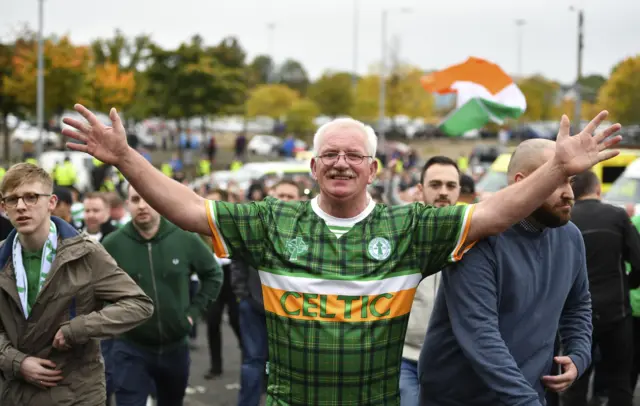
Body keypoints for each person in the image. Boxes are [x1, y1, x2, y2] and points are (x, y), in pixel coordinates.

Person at [63, 104, 621, 405]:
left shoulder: (410, 228)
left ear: (374, 170)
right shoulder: (270, 222)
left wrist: (557, 169)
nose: (341, 163)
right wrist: (125, 159)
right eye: (329, 154)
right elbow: (187, 208)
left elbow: (494, 214)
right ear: (311, 167)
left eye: (355, 155)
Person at [418, 139, 593, 405]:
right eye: (557, 181)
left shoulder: (571, 237)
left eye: (570, 181)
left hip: (525, 396)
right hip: (460, 398)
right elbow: (480, 335)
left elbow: (578, 304)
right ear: (521, 182)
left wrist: (578, 355)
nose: (568, 192)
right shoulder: (478, 237)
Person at [0, 163, 153, 405]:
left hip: (76, 394)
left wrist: (79, 328)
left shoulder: (85, 252)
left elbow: (138, 304)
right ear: (3, 207)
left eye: (31, 197)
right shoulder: (2, 258)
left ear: (51, 203)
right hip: (15, 393)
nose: (21, 206)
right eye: (12, 199)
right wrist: (16, 362)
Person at [102, 184, 223, 406]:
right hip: (130, 347)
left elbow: (213, 275)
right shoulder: (112, 245)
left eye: (148, 197)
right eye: (135, 199)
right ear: (127, 204)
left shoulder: (184, 238)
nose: (142, 205)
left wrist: (192, 314)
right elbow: (96, 290)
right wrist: (114, 320)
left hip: (175, 347)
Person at [562, 170, 640, 406]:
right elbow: (638, 261)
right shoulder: (616, 216)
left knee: (574, 381)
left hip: (573, 315)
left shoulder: (565, 217)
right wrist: (628, 285)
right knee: (620, 381)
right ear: (598, 189)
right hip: (616, 311)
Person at [233, 179, 304, 406]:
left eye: (289, 196)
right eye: (280, 195)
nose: (284, 200)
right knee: (253, 361)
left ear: (300, 200)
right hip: (254, 303)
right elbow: (238, 257)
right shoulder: (256, 223)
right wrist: (241, 293)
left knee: (289, 366)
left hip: (291, 310)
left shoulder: (309, 230)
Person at [400, 156, 461, 406]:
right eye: (435, 185)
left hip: (454, 359)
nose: (443, 192)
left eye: (450, 185)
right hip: (404, 357)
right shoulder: (400, 232)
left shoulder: (476, 234)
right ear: (420, 189)